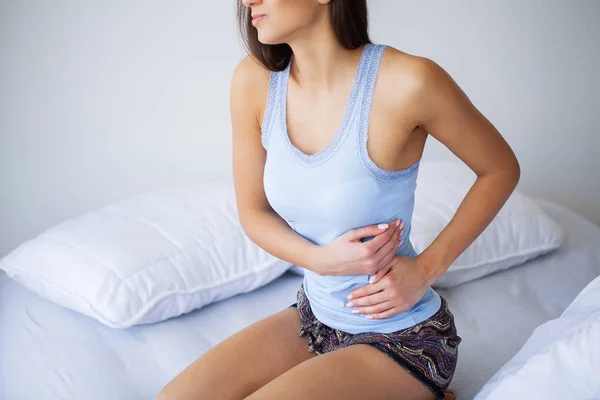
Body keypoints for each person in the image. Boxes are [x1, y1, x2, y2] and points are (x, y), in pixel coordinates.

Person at [156, 0, 520, 399]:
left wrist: (425, 270)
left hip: (403, 339)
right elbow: (253, 212)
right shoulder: (253, 81)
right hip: (316, 318)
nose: (247, 1)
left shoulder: (409, 81)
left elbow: (500, 169)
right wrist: (319, 260)